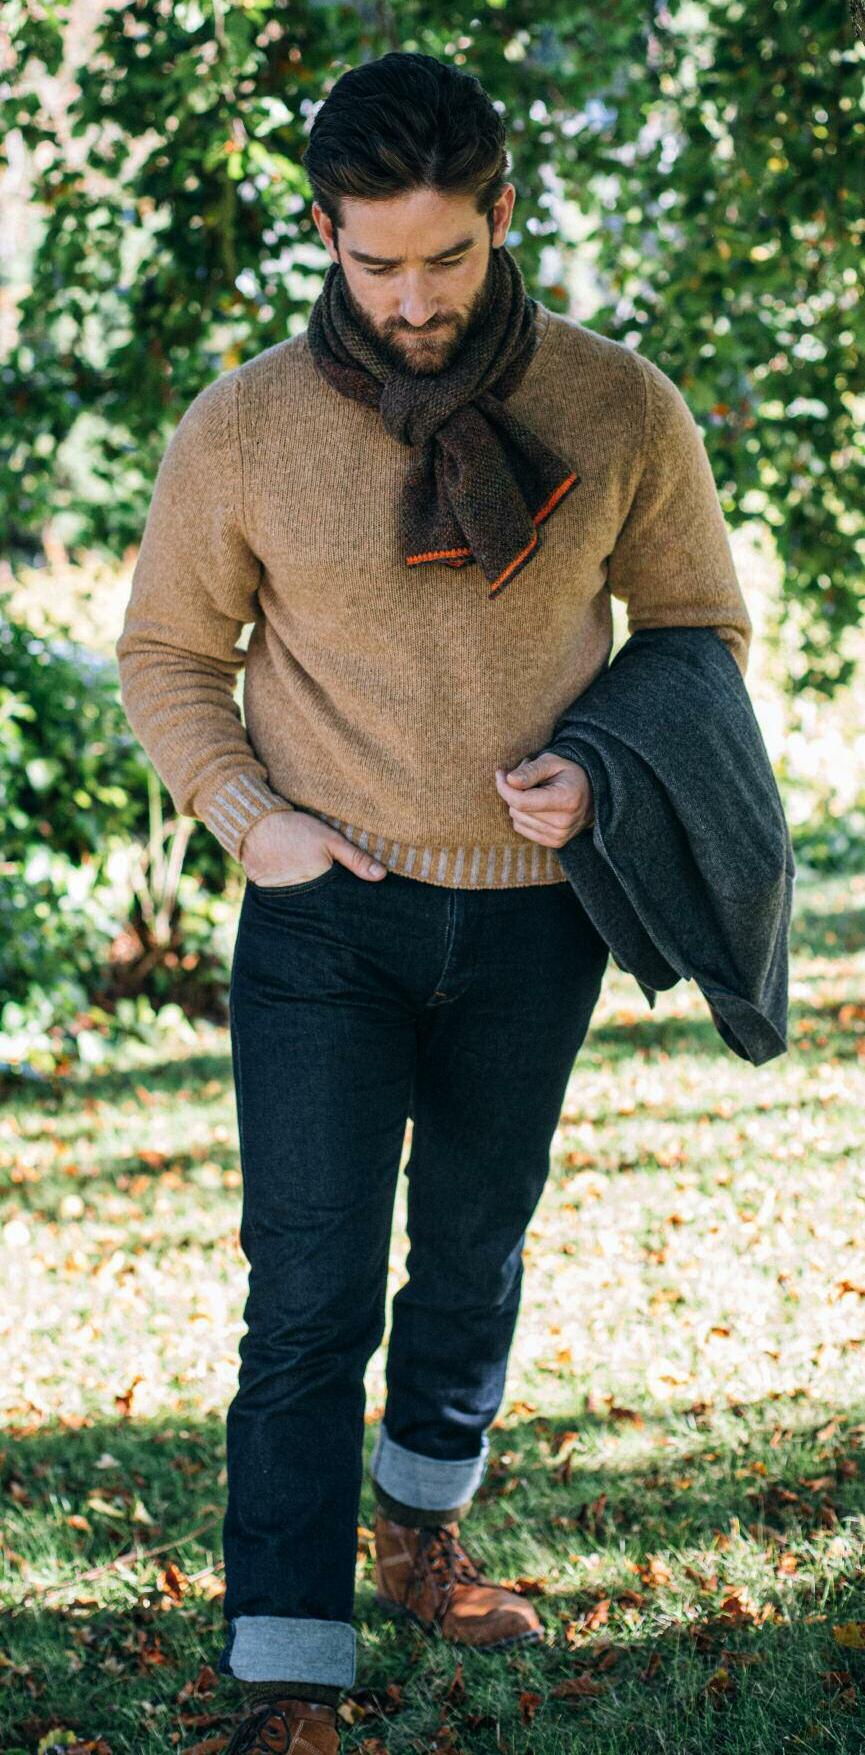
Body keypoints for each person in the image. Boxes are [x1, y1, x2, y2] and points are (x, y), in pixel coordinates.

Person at [115, 50, 752, 1755]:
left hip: (539, 917)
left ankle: (418, 1533)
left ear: (503, 215)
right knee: (308, 1295)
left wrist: (604, 768)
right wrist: (250, 818)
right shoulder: (243, 426)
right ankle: (287, 1674)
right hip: (325, 917)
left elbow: (697, 630)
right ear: (324, 232)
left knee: (469, 1254)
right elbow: (168, 652)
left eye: (446, 258)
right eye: (374, 261)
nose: (410, 300)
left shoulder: (619, 407)